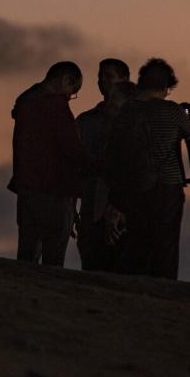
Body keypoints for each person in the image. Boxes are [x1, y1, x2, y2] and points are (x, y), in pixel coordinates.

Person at [103, 58, 190, 279]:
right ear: (167, 87)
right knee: (165, 242)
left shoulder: (128, 109)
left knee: (138, 237)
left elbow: (117, 148)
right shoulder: (173, 111)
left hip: (135, 184)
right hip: (168, 186)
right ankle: (164, 283)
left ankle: (133, 281)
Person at [8, 61, 94, 267]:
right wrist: (99, 165)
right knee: (53, 257)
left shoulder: (25, 104)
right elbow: (71, 148)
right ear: (65, 80)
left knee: (27, 252)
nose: (69, 98)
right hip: (55, 190)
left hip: (27, 188)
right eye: (72, 92)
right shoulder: (55, 106)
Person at [76, 59, 131, 271]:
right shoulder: (86, 120)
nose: (101, 81)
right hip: (90, 204)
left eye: (108, 76)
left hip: (125, 206)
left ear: (124, 80)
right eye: (100, 76)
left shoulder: (136, 120)